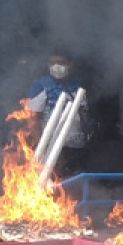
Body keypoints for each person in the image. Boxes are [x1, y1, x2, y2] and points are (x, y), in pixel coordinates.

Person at [25, 51, 90, 179]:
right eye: (52, 63)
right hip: (51, 147)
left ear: (70, 64)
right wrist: (41, 146)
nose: (56, 66)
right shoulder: (40, 86)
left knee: (74, 184)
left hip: (76, 147)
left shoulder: (77, 87)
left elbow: (84, 115)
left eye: (61, 63)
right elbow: (32, 120)